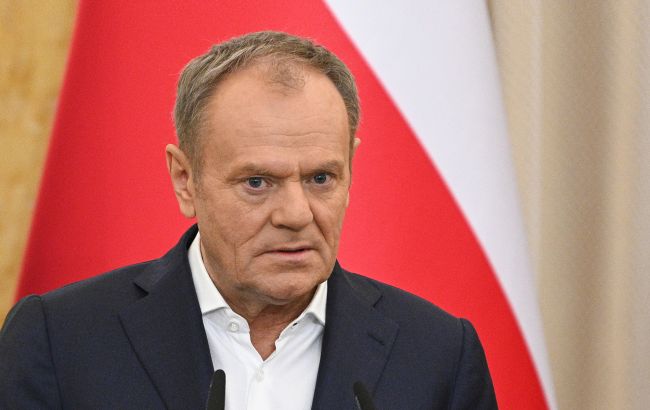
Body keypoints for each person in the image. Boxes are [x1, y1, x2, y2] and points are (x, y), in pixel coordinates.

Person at [0, 31, 497, 409]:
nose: (296, 214)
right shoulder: (61, 340)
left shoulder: (438, 355)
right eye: (257, 182)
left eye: (321, 178)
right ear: (185, 180)